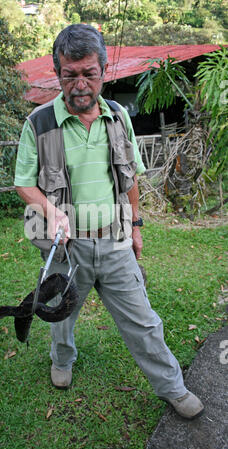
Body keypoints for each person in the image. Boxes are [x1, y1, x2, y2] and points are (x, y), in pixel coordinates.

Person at [14, 24, 204, 420]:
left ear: (103, 70)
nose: (80, 84)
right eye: (70, 74)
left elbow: (129, 176)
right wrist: (52, 211)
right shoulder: (40, 123)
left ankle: (173, 387)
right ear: (58, 73)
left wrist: (135, 226)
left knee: (144, 321)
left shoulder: (118, 117)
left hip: (115, 239)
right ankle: (62, 360)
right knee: (62, 312)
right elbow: (24, 185)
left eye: (89, 73)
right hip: (67, 246)